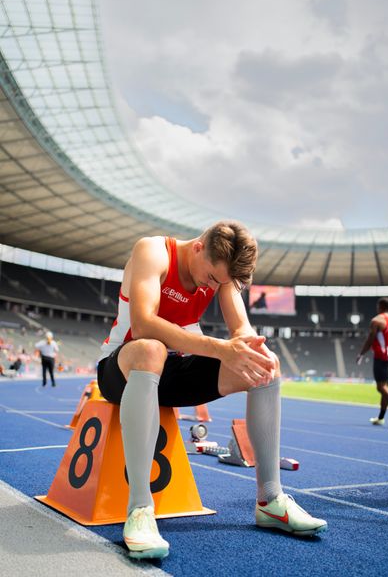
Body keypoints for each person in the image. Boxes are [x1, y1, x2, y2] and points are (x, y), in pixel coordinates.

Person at [97, 220, 327, 560]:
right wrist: (220, 348)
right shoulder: (153, 251)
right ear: (199, 248)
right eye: (212, 278)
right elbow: (144, 323)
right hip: (125, 368)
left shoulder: (222, 274)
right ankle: (140, 510)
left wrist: (248, 346)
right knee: (151, 348)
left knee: (266, 363)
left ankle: (270, 499)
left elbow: (242, 331)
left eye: (221, 283)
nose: (214, 286)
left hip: (174, 373)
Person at [357, 297, 388, 428]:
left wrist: (361, 353)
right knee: (385, 387)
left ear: (379, 306)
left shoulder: (377, 320)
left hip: (381, 357)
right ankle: (381, 418)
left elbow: (371, 339)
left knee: (381, 387)